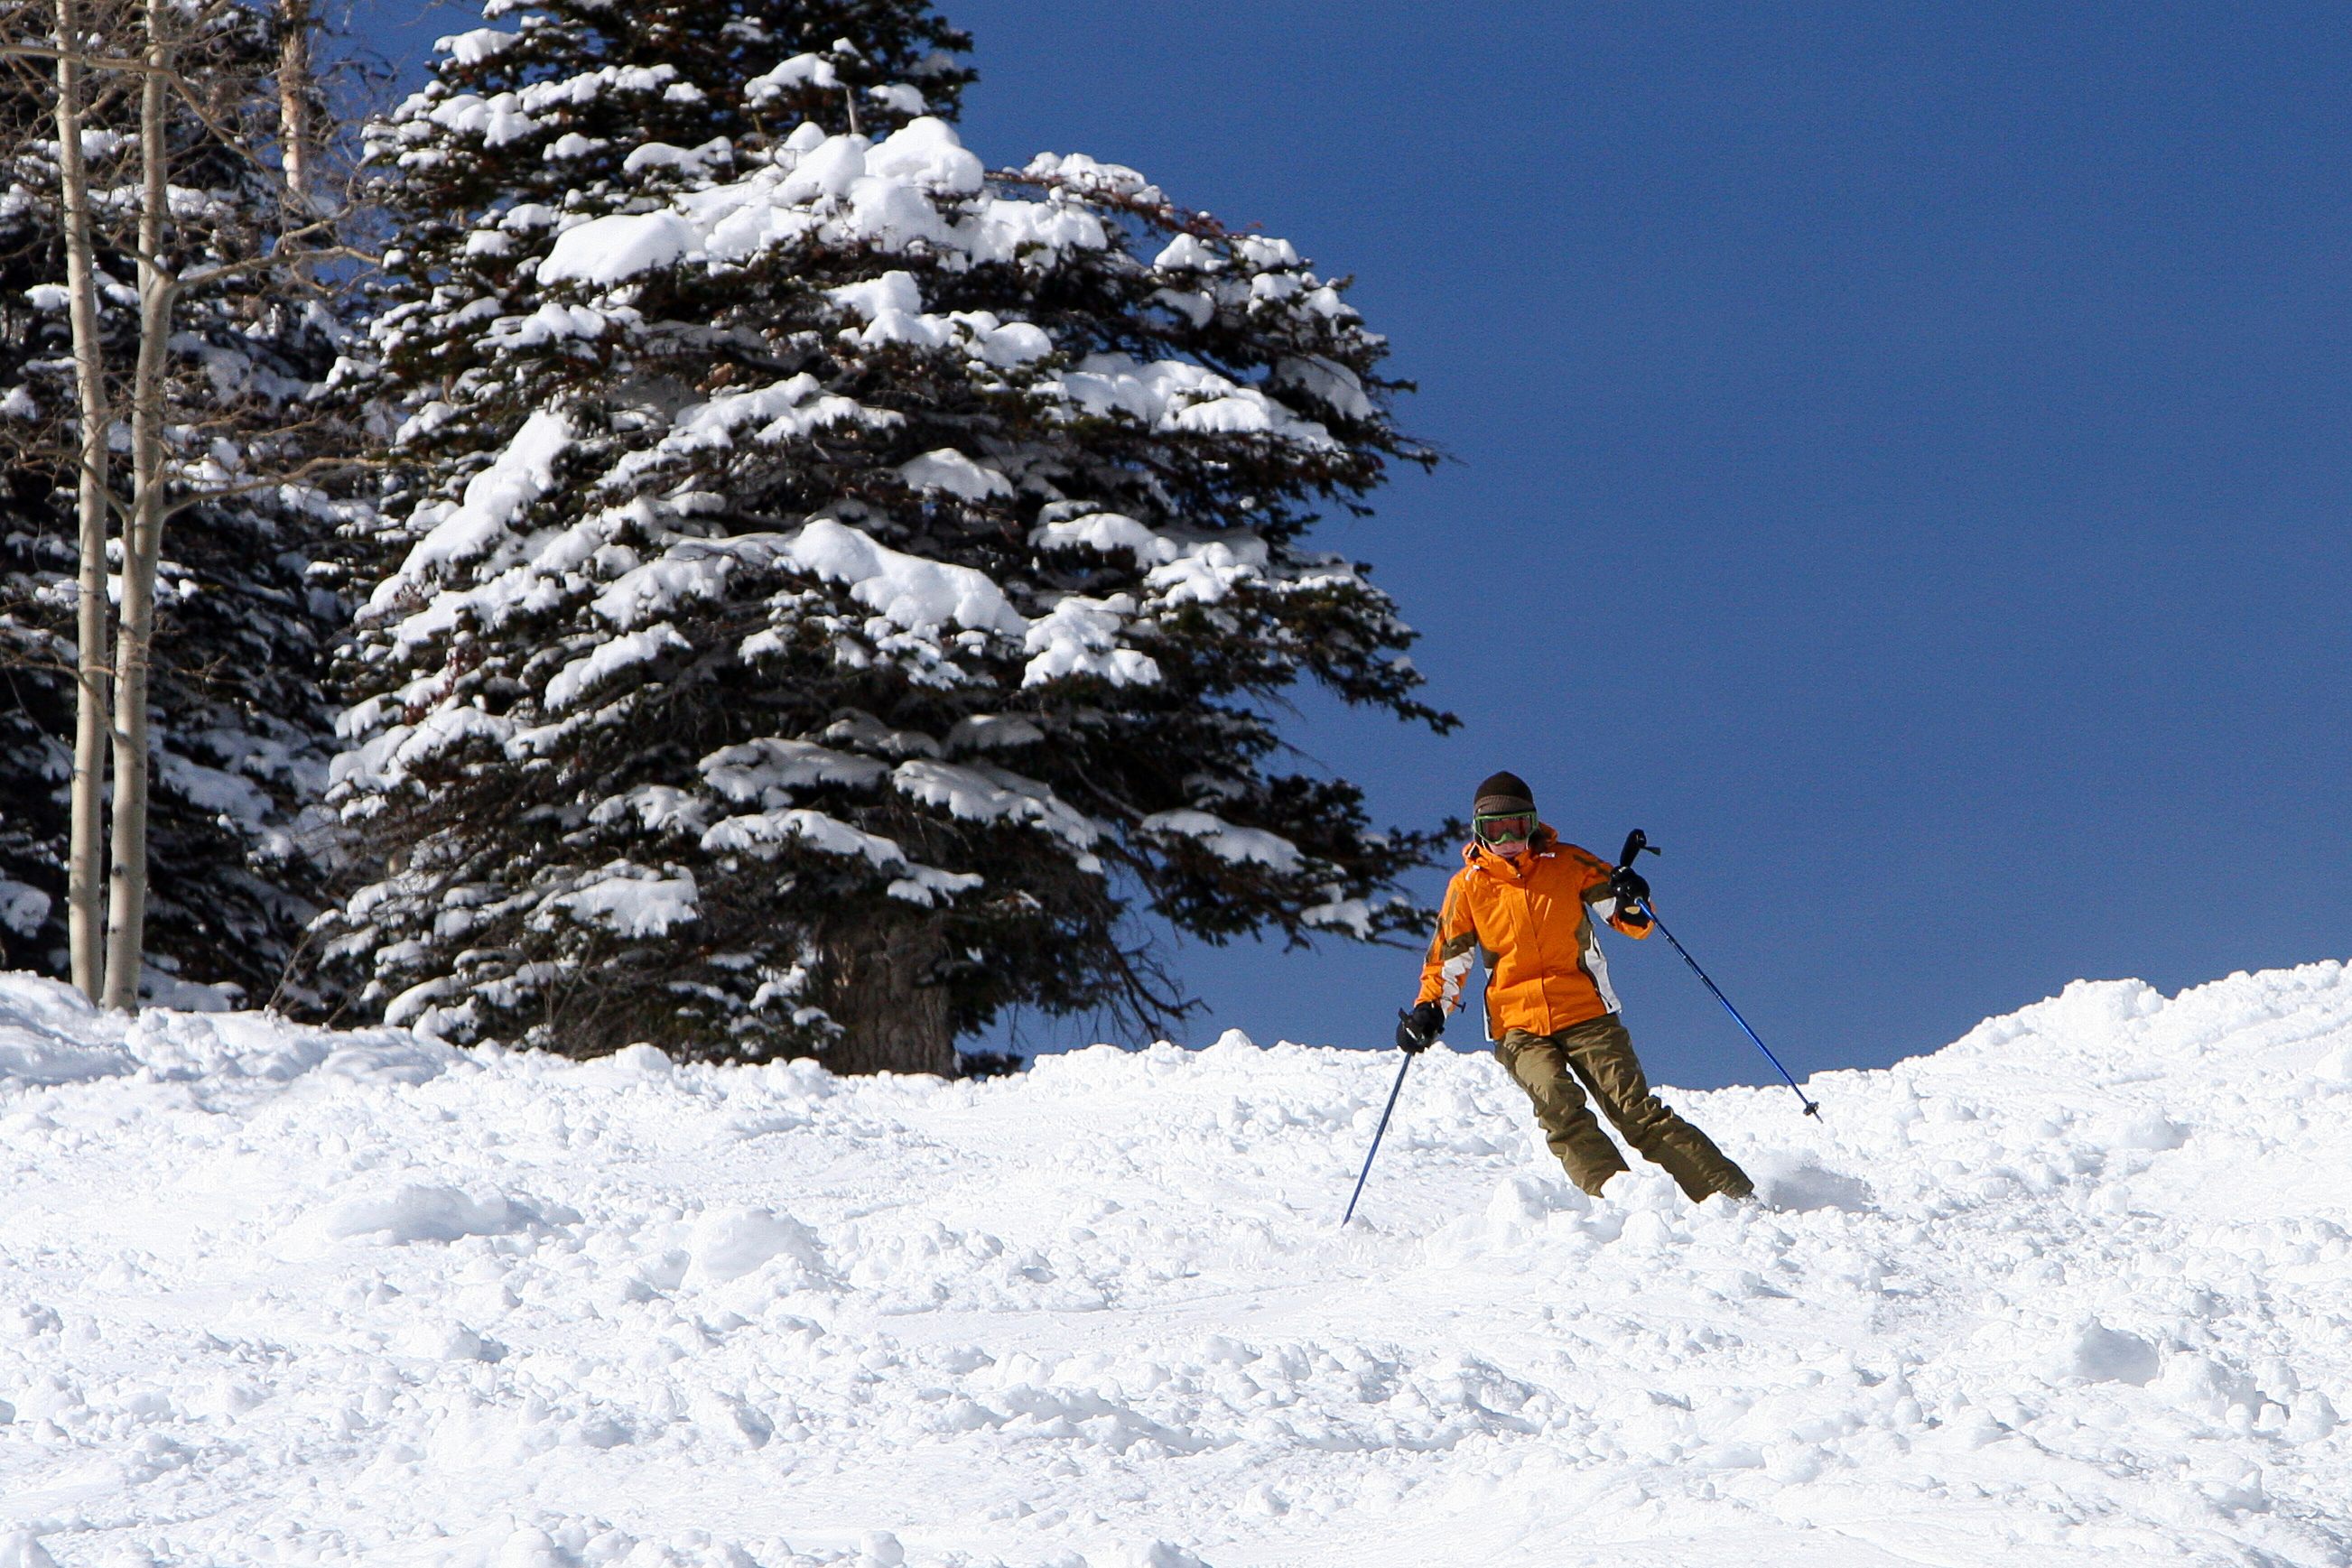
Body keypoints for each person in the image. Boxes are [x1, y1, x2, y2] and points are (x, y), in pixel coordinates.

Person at [1398, 771, 1753, 1204]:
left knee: (1634, 1111)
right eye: (1495, 828)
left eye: (1517, 825)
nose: (1508, 837)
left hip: (1586, 1013)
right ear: (1478, 833)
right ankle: (1617, 1198)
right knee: (1555, 1102)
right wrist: (1429, 1009)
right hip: (1517, 1025)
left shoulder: (1567, 864)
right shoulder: (1468, 887)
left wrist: (1631, 896)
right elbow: (1448, 958)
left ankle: (1729, 1195)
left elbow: (1630, 918)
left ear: (1533, 825)